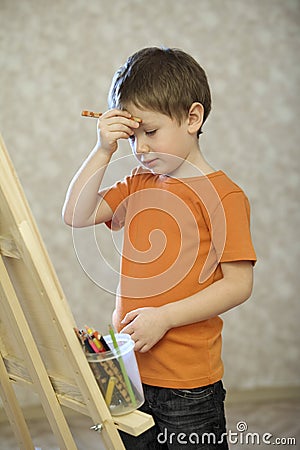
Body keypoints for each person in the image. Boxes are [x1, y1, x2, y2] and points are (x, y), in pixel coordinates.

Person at [62, 47, 257, 449]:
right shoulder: (138, 182)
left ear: (193, 118)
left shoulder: (224, 196)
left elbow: (238, 285)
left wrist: (165, 317)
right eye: (132, 136)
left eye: (150, 132)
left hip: (188, 387)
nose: (141, 148)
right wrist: (103, 150)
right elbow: (76, 214)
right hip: (131, 372)